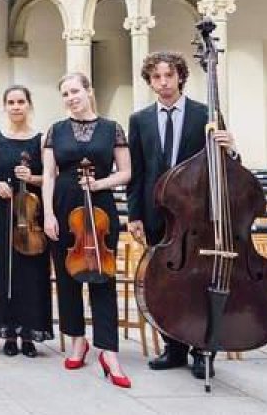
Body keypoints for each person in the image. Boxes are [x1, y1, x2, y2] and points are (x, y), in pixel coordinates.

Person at [127, 51, 237, 380]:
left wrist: (230, 146)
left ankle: (203, 350)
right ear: (149, 82)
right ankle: (173, 347)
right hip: (156, 213)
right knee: (164, 283)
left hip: (197, 215)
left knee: (200, 281)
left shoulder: (206, 114)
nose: (163, 83)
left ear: (180, 78)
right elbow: (137, 172)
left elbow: (226, 166)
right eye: (156, 77)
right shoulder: (140, 119)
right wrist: (134, 215)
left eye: (169, 76)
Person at [42, 72, 133, 388]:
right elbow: (50, 176)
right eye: (65, 93)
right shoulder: (55, 131)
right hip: (65, 205)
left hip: (101, 208)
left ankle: (108, 350)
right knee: (67, 277)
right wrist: (48, 214)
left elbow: (126, 172)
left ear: (89, 92)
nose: (71, 98)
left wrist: (99, 183)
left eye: (75, 91)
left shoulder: (112, 129)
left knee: (102, 278)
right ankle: (78, 340)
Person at [0, 85, 52, 358]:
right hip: (4, 209)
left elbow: (50, 176)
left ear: (29, 104)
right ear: (5, 106)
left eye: (21, 101)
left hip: (31, 212)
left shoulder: (41, 138)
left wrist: (32, 178)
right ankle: (9, 332)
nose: (16, 106)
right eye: (11, 102)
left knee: (31, 272)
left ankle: (29, 334)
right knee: (3, 268)